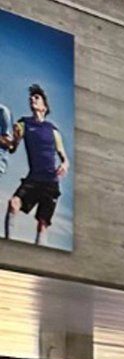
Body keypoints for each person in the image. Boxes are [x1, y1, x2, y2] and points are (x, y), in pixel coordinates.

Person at [1, 85, 69, 245]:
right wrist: (7, 140)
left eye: (36, 97)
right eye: (31, 97)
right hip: (33, 179)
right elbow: (12, 147)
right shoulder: (23, 124)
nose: (32, 99)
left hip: (51, 182)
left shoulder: (53, 130)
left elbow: (63, 156)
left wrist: (65, 164)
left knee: (42, 224)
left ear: (44, 107)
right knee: (13, 204)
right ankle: (8, 245)